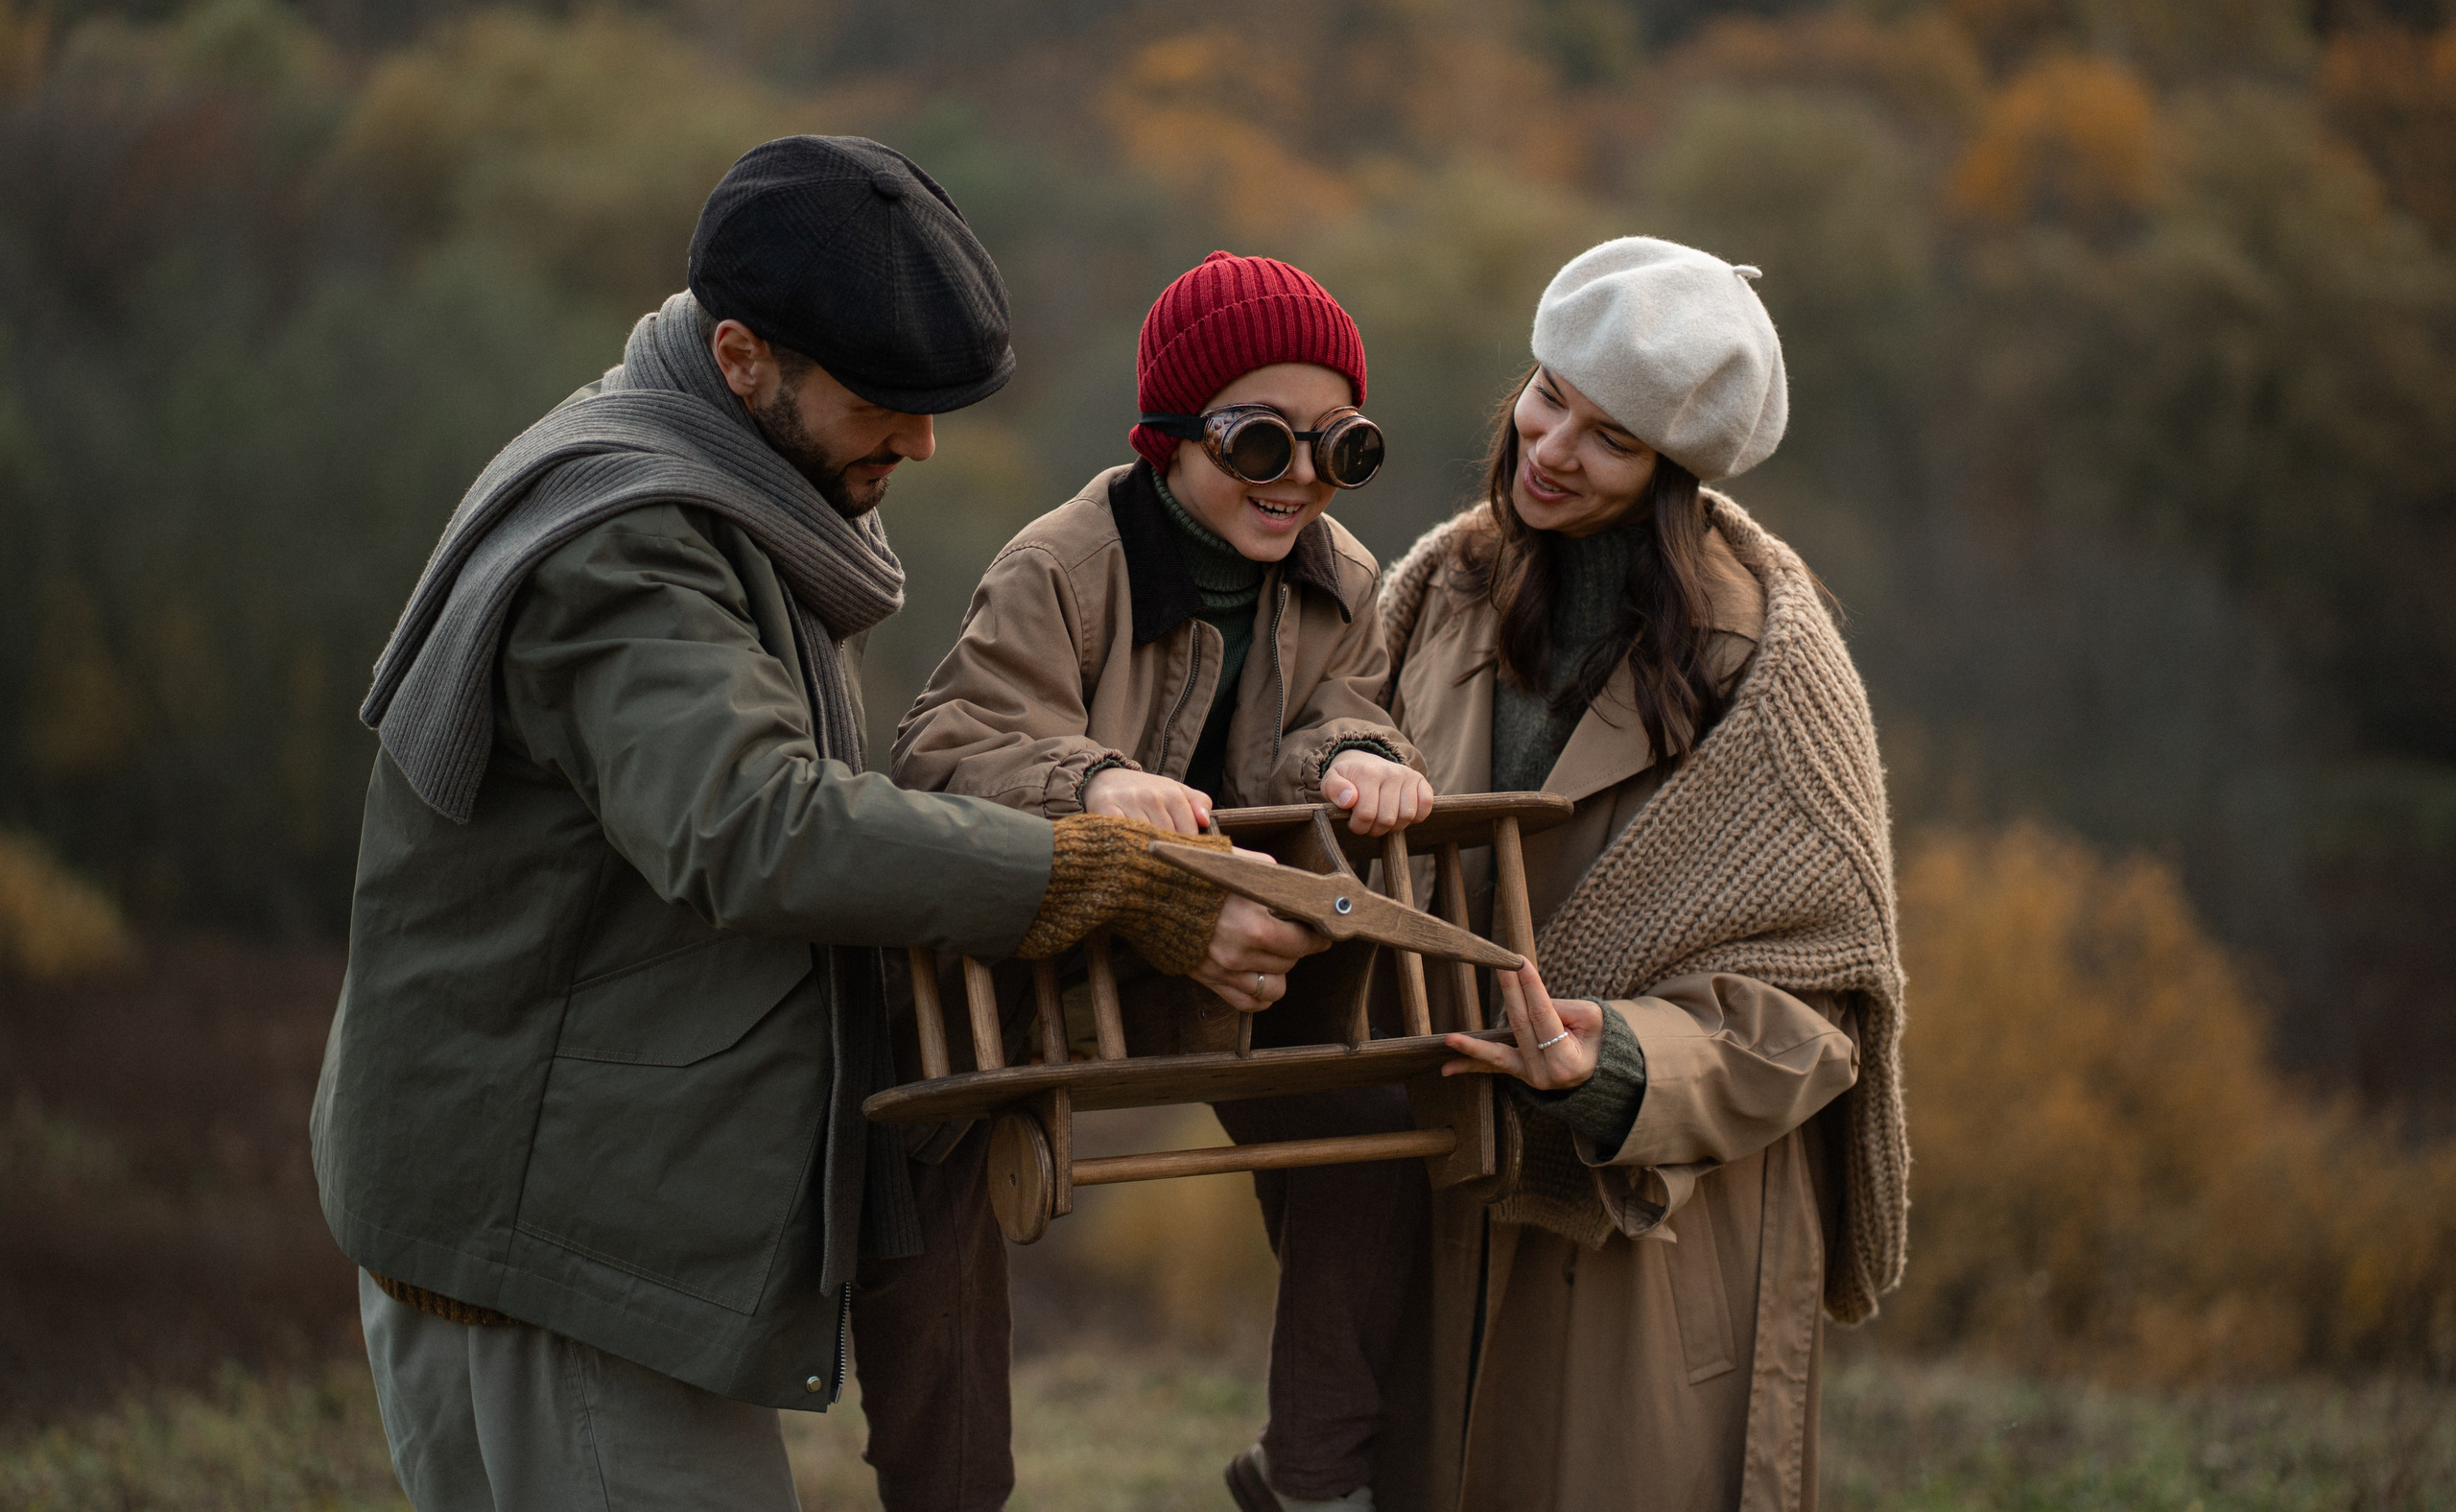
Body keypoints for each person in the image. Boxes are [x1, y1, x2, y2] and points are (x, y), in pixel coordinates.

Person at [310, 138, 1325, 1512]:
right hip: (548, 1253)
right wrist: (1096, 876)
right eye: (883, 404)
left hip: (591, 1218)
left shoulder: (736, 498)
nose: (919, 442)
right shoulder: (633, 543)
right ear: (742, 356)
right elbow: (752, 821)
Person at [1370, 237, 1910, 1512]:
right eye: (1548, 398)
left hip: (1653, 1244)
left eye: (1609, 439)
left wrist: (1614, 1061)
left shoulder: (1768, 668)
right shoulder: (1437, 594)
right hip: (1445, 1199)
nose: (1553, 450)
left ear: (1674, 470)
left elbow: (1820, 1012)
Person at [892, 250, 1436, 1512]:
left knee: (1377, 1119)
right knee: (924, 1184)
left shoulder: (1341, 576)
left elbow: (1341, 712)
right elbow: (947, 744)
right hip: (1044, 950)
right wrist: (1090, 780)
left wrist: (1360, 760)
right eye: (1260, 444)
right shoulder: (1064, 567)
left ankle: (1315, 1477)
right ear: (1171, 436)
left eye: (1340, 446)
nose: (1302, 480)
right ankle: (947, 1489)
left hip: (1234, 948)